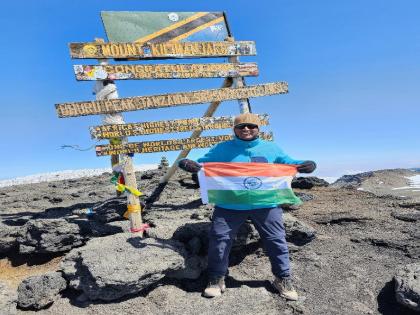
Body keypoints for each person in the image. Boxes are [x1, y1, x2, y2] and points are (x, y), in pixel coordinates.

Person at [178, 113, 316, 300]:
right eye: (241, 127)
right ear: (234, 130)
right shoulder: (223, 148)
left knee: (276, 240)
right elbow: (202, 162)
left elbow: (290, 163)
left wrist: (306, 165)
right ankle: (216, 277)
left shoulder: (271, 148)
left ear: (258, 129)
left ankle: (282, 278)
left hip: (266, 203)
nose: (246, 129)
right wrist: (188, 164)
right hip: (229, 204)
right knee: (219, 240)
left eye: (251, 126)